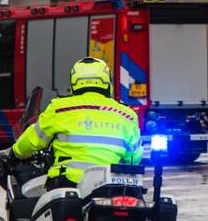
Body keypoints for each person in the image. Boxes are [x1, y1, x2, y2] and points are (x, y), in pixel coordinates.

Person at [9, 57, 142, 188]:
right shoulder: (126, 114)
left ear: (74, 83)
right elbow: (134, 158)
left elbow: (33, 140)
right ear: (107, 82)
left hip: (68, 183)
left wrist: (14, 153)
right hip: (112, 186)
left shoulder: (60, 108)